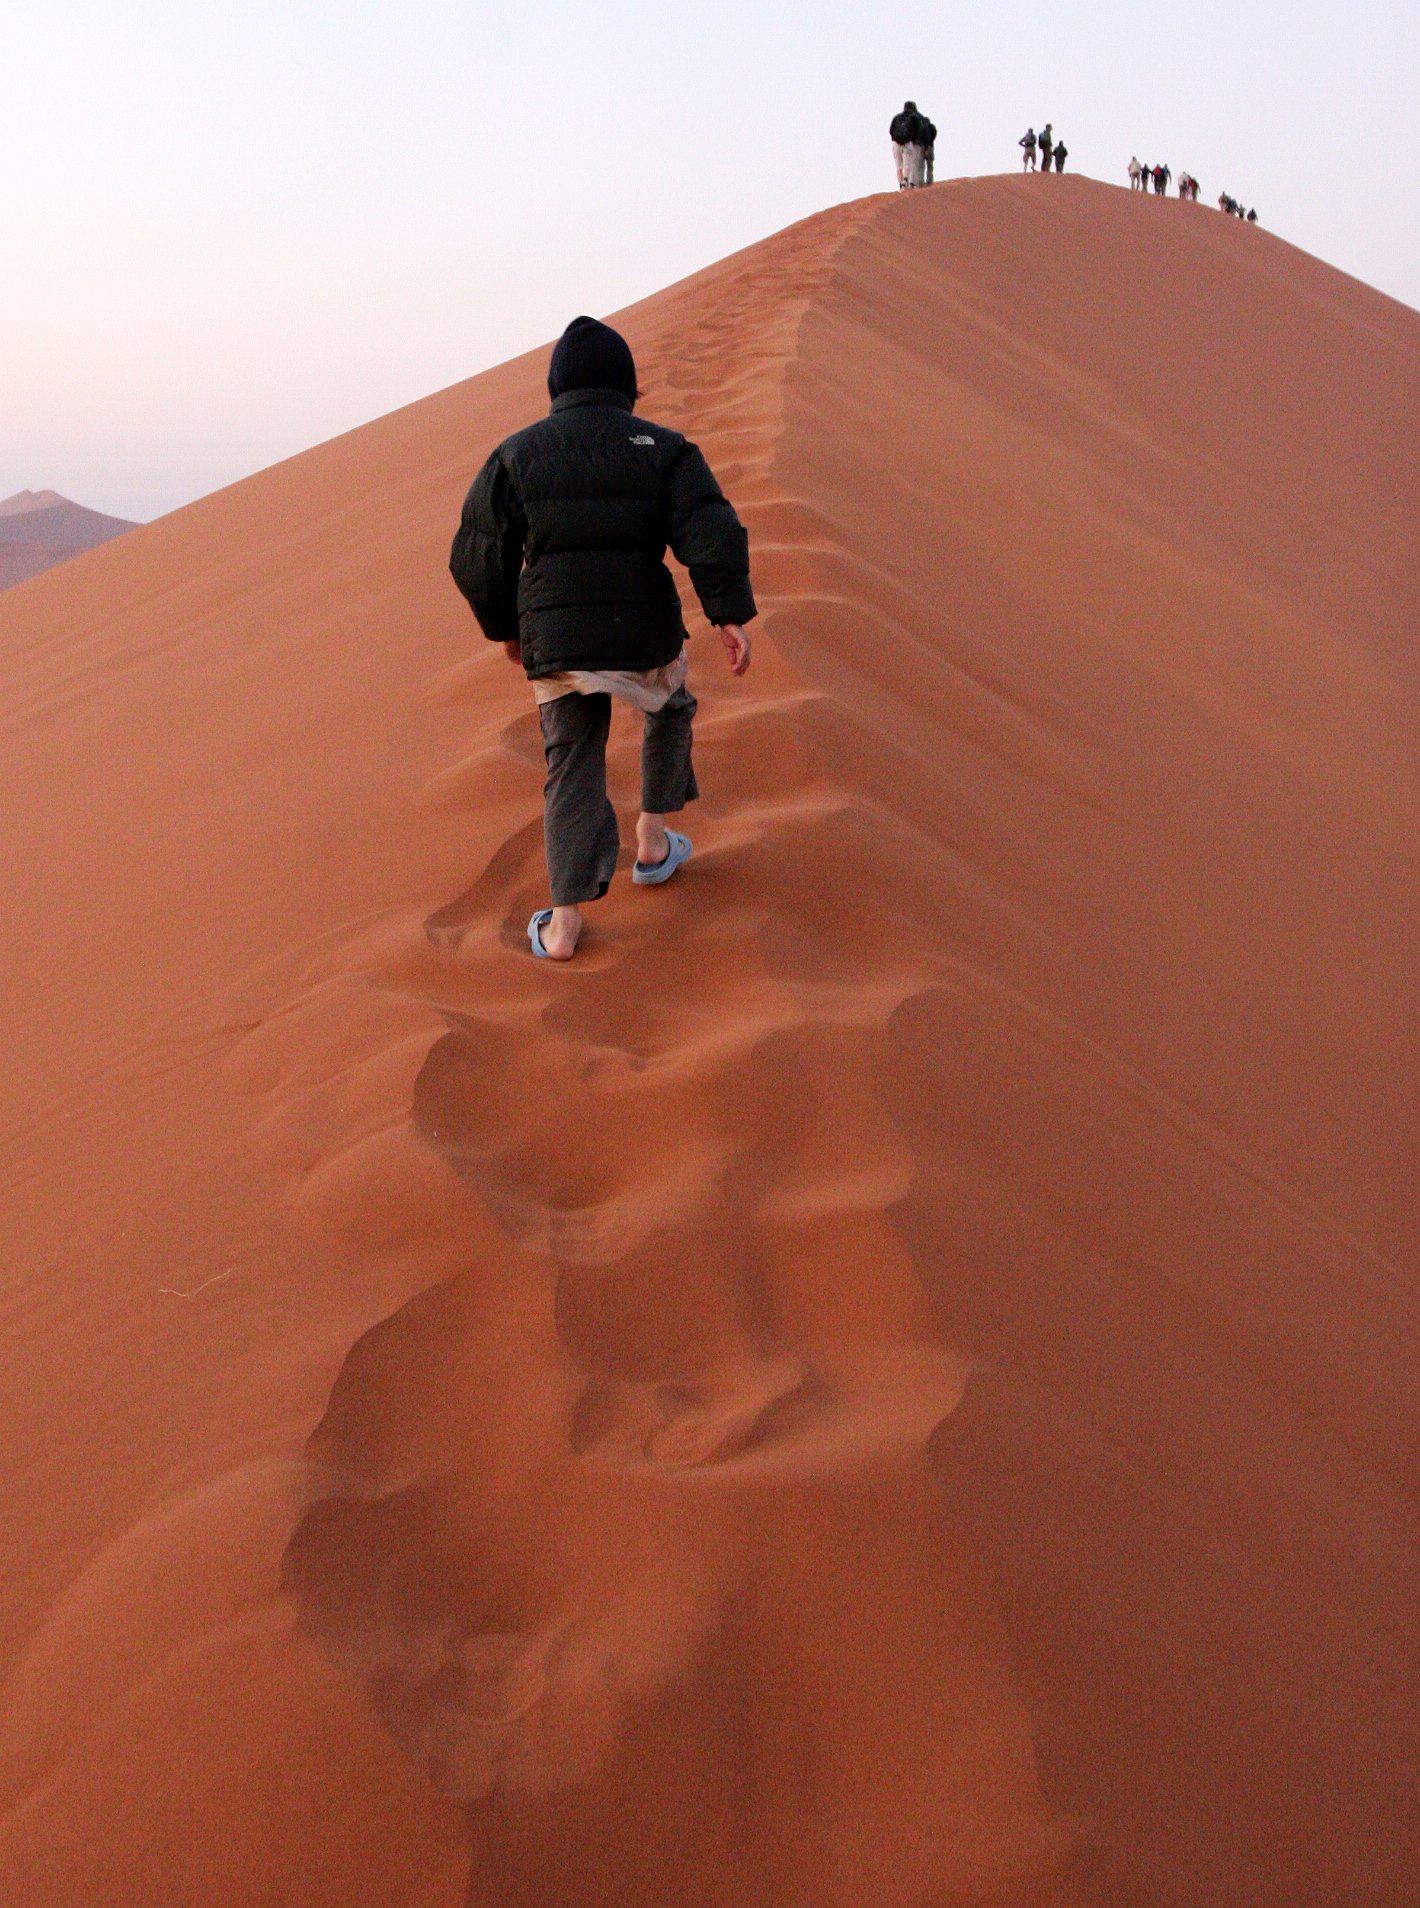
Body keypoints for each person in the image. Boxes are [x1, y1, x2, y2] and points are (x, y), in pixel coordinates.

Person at [449, 316, 755, 962]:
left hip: (556, 639)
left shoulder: (517, 454)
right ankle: (650, 839)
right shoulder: (664, 448)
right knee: (670, 708)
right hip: (643, 631)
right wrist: (728, 614)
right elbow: (710, 528)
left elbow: (475, 554)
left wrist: (507, 629)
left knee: (571, 759)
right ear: (629, 387)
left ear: (556, 387)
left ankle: (563, 927)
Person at [890, 101, 922, 189]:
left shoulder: (897, 118)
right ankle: (905, 180)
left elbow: (891, 130)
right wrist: (913, 141)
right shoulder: (914, 118)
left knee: (898, 166)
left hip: (896, 143)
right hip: (908, 143)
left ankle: (901, 186)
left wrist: (895, 139)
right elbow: (918, 131)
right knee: (907, 164)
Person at [918, 110, 938, 185]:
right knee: (930, 165)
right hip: (930, 147)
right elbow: (934, 135)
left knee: (921, 165)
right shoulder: (932, 127)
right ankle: (930, 180)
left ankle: (920, 181)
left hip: (921, 147)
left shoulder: (921, 128)